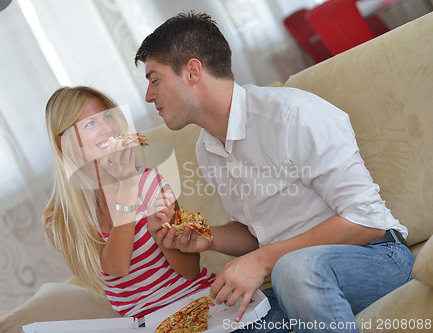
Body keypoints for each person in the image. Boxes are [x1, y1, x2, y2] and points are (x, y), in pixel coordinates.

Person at [134, 12, 414, 332]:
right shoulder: (207, 148)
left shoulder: (292, 115)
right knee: (217, 324)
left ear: (193, 71)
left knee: (293, 270)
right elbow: (257, 233)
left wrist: (264, 260)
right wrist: (206, 238)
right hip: (292, 280)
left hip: (375, 258)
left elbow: (366, 219)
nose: (149, 96)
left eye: (154, 80)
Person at [42, 86, 215, 323]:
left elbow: (190, 269)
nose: (108, 129)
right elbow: (116, 267)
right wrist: (126, 190)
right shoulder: (62, 219)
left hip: (199, 302)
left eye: (108, 117)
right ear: (66, 143)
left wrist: (162, 237)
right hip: (145, 324)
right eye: (91, 124)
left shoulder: (150, 182)